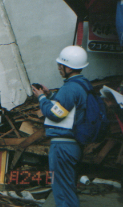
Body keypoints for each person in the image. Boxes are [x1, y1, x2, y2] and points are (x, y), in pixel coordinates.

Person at [32, 45, 92, 207]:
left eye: (61, 65)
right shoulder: (82, 86)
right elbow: (68, 109)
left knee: (61, 191)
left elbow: (56, 114)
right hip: (72, 145)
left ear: (69, 67)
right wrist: (51, 95)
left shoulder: (69, 88)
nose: (59, 68)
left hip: (63, 146)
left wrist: (42, 98)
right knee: (68, 188)